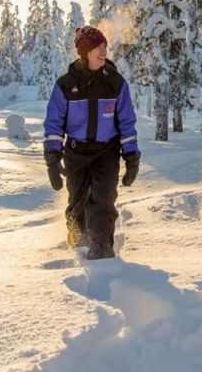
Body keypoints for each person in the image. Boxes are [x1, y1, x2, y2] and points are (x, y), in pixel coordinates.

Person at [43, 26, 140, 260]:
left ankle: (102, 249)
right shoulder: (67, 84)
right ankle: (77, 245)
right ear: (85, 51)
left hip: (106, 152)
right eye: (97, 47)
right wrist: (52, 158)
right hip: (76, 153)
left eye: (105, 46)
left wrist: (131, 156)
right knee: (77, 202)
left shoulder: (115, 83)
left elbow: (126, 122)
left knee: (103, 200)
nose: (103, 51)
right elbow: (54, 123)